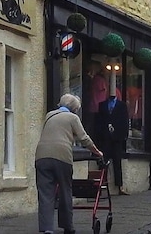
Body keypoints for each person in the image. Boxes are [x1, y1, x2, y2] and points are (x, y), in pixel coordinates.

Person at [34, 94, 103, 234]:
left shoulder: (49, 115)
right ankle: (67, 226)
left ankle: (47, 228)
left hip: (41, 156)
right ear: (75, 109)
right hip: (62, 156)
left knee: (45, 193)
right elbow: (84, 138)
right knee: (65, 190)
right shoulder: (73, 118)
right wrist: (97, 152)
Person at [95, 87, 131, 195]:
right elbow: (99, 121)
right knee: (103, 162)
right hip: (105, 137)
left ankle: (119, 186)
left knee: (117, 162)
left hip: (117, 138)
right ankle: (101, 185)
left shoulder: (122, 105)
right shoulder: (102, 105)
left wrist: (123, 135)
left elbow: (124, 120)